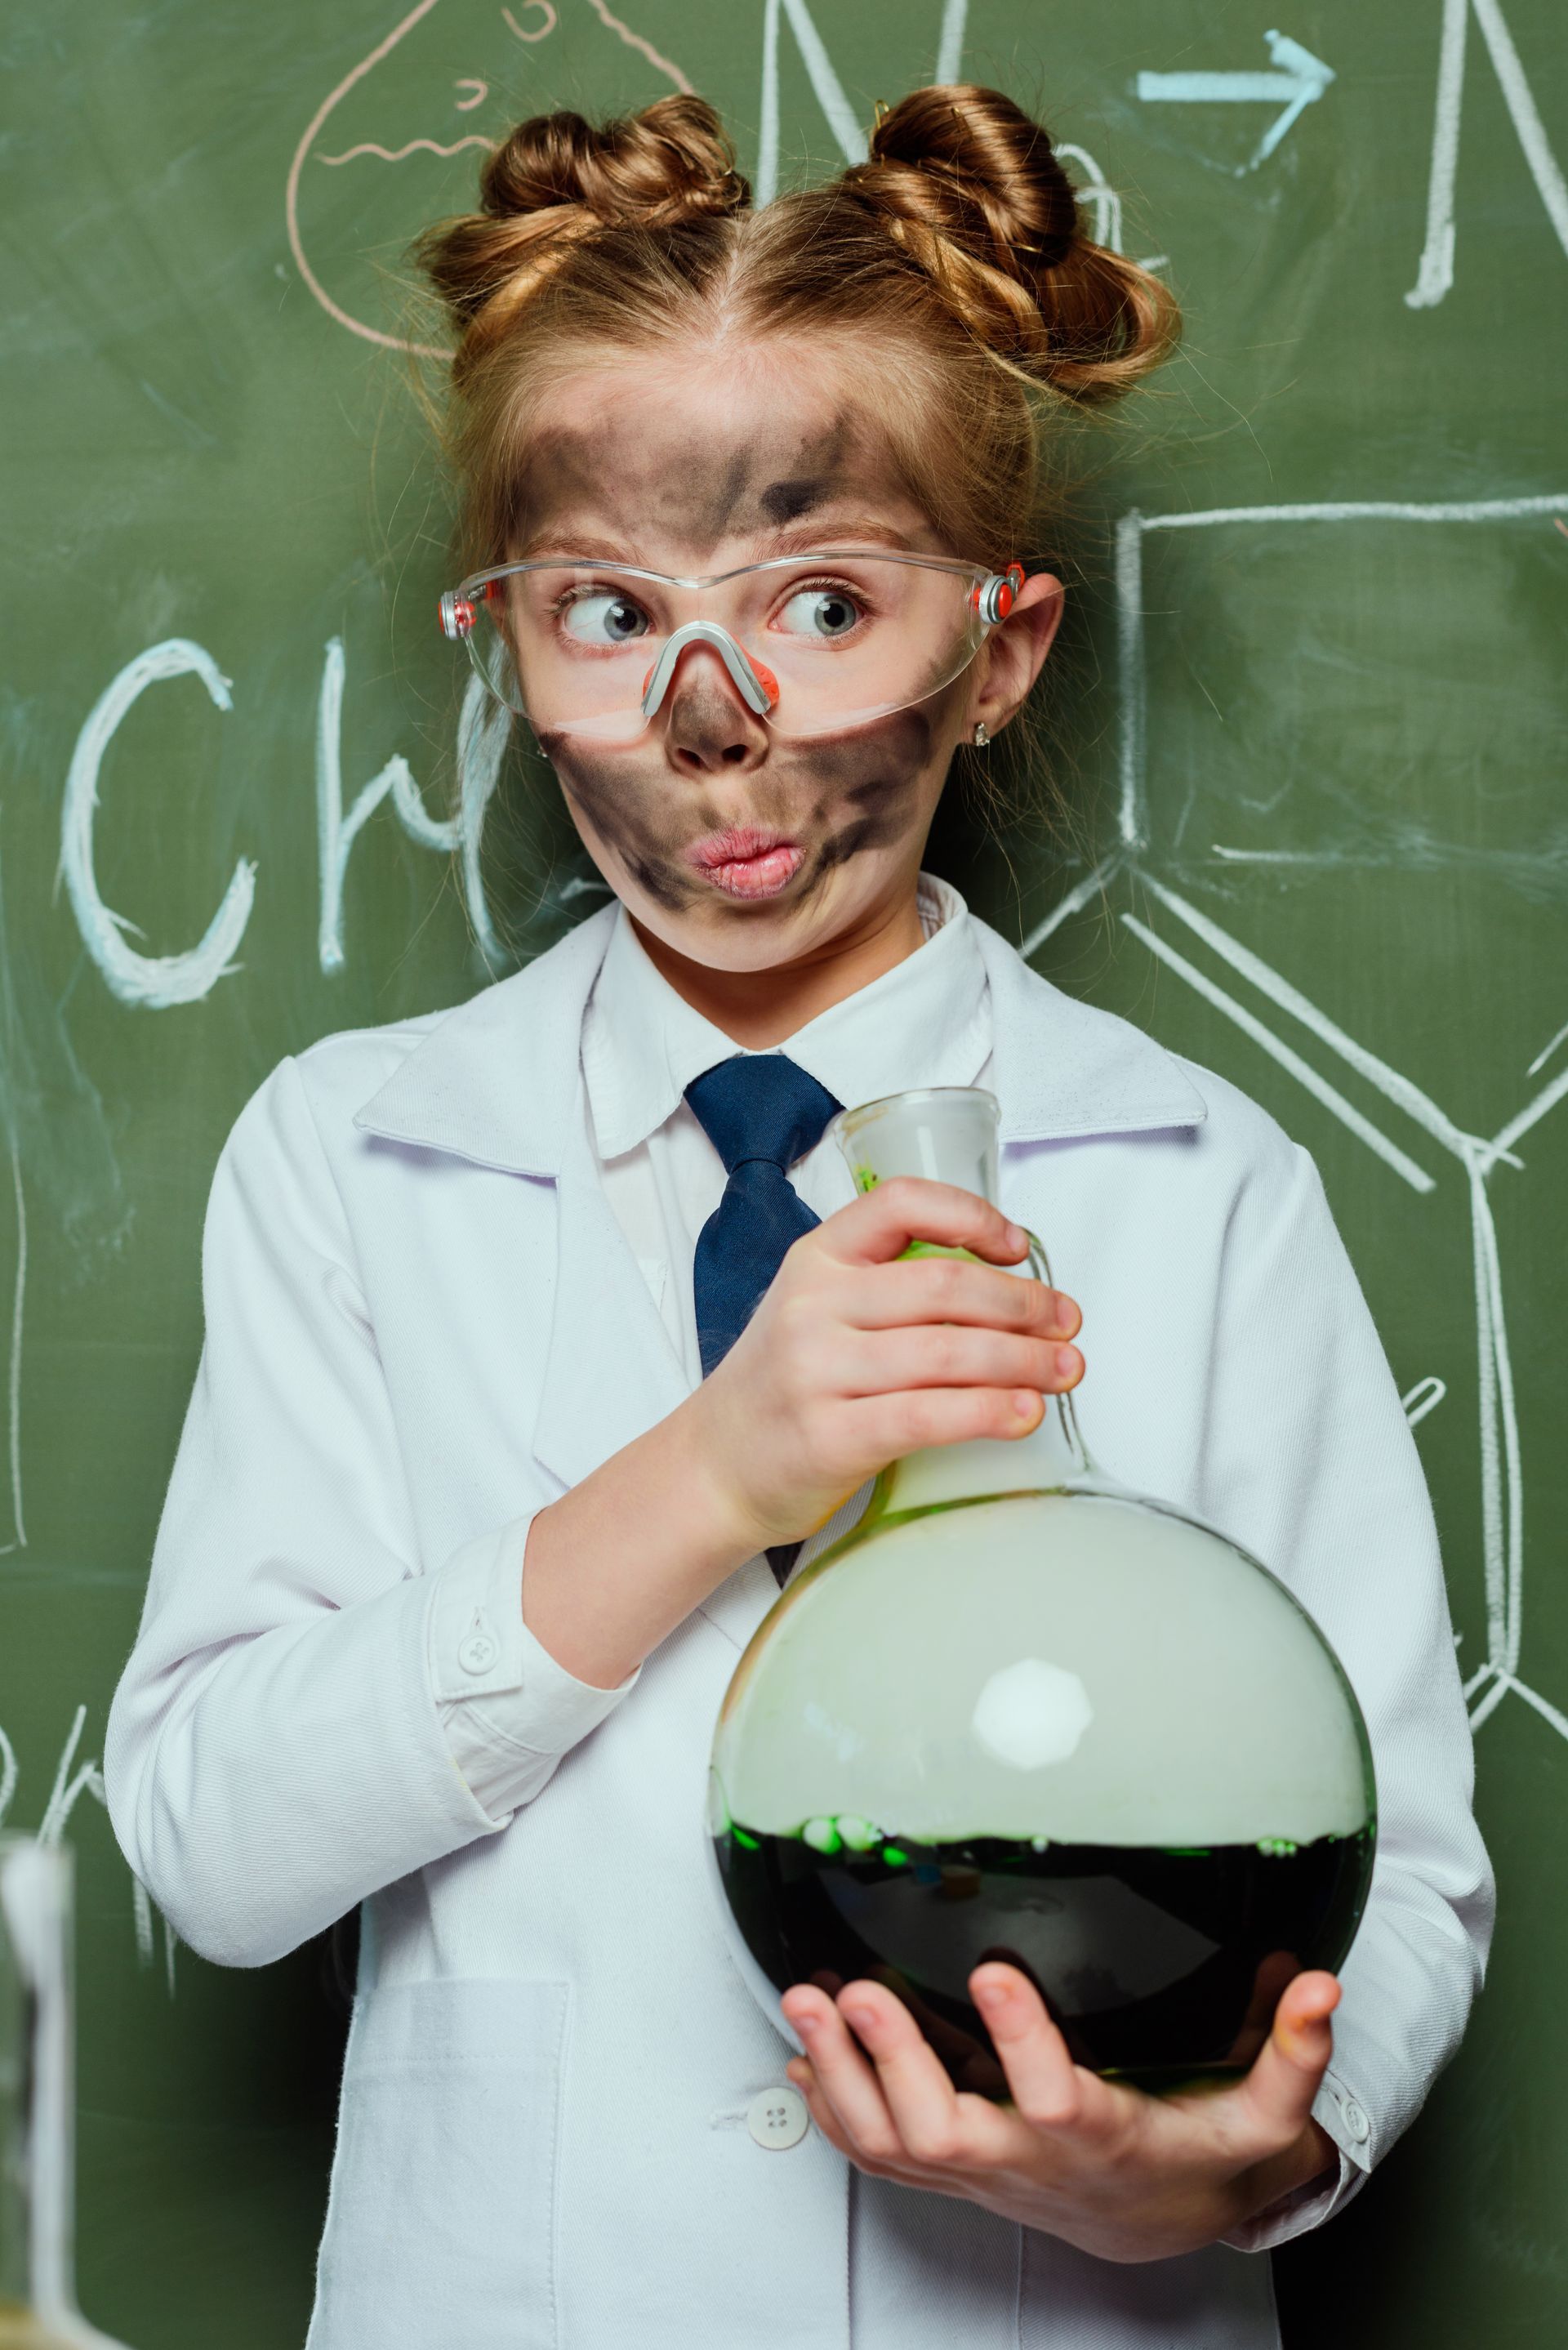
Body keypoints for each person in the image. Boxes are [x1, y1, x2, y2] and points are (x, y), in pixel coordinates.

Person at [104, 84, 1491, 2350]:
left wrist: (1237, 2165)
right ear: (512, 644)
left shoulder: (1202, 1176)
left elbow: (1400, 1863)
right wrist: (709, 1476)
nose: (714, 724)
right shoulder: (355, 1156)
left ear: (1002, 641)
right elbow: (211, 1848)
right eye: (612, 612)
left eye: (825, 603)